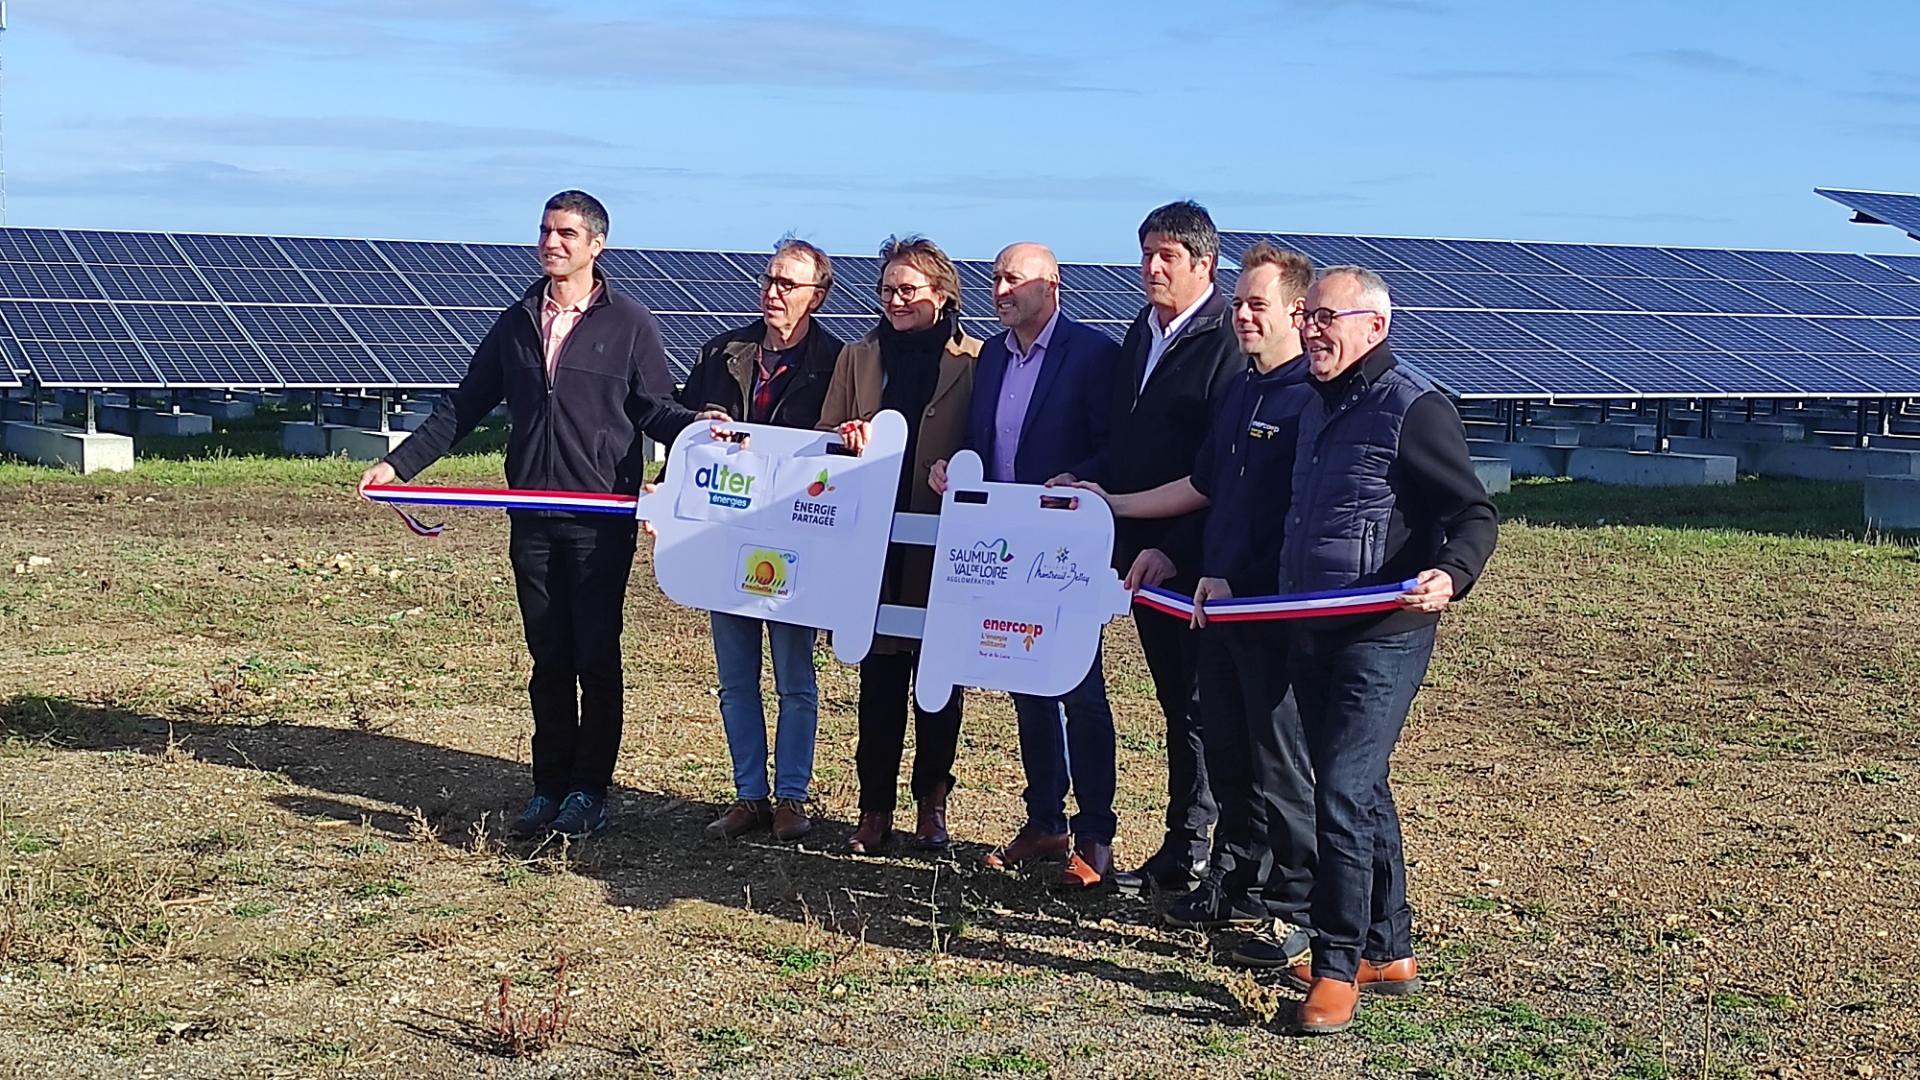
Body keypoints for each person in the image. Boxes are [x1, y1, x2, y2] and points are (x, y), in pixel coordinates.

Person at [358, 190, 719, 841]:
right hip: (531, 517)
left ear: (596, 246)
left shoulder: (629, 323)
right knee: (548, 655)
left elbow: (656, 409)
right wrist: (400, 465)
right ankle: (547, 787)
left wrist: (699, 427)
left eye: (567, 234)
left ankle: (589, 792)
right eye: (547, 231)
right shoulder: (518, 320)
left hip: (598, 522)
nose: (553, 243)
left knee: (595, 657)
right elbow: (464, 404)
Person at [1076, 242, 1320, 957]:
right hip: (1213, 598)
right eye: (1240, 303)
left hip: (1273, 611)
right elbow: (1210, 489)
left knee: (1280, 759)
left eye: (1255, 305)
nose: (1242, 315)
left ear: (1296, 313)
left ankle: (1291, 905)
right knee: (1226, 745)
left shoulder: (1313, 397)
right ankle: (1233, 877)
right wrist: (1159, 539)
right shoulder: (1246, 387)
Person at [1274, 266, 1498, 1036]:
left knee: (1339, 787)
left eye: (1325, 316)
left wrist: (1452, 574)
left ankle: (1337, 967)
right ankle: (1389, 946)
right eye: (1306, 315)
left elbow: (1473, 512)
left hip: (1384, 632)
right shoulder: (1312, 405)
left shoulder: (1414, 407)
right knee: (1356, 787)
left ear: (1374, 326)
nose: (1309, 328)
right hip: (1312, 625)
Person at [1050, 201, 1242, 893]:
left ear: (1204, 264)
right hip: (1140, 557)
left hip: (1196, 562)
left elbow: (1220, 470)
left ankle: (1208, 851)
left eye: (1168, 257)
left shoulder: (1227, 343)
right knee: (1174, 704)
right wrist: (1091, 478)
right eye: (1147, 254)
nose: (1152, 268)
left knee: (1204, 708)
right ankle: (1180, 843)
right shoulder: (1143, 331)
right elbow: (1132, 442)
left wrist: (1174, 544)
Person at [927, 242, 1121, 889]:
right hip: (1005, 552)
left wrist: (1085, 476)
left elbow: (1117, 447)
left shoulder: (1094, 356)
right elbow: (985, 447)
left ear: (1053, 284)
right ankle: (1045, 822)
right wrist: (951, 468)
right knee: (1026, 683)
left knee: (1081, 692)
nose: (1001, 288)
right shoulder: (989, 361)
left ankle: (1096, 838)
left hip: (1068, 552)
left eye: (1014, 277)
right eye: (996, 278)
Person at [816, 235, 981, 855]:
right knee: (879, 678)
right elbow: (824, 434)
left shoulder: (975, 359)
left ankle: (932, 805)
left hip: (943, 541)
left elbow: (987, 438)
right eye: (887, 289)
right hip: (873, 539)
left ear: (941, 295)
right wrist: (844, 437)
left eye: (908, 290)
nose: (895, 300)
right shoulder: (857, 358)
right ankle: (873, 809)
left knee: (939, 680)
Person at [680, 238, 845, 844]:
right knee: (735, 677)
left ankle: (792, 798)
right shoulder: (725, 351)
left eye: (788, 284)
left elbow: (848, 440)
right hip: (728, 535)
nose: (773, 292)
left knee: (795, 678)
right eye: (769, 279)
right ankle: (748, 794)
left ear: (817, 296)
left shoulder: (836, 361)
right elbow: (685, 423)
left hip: (798, 536)